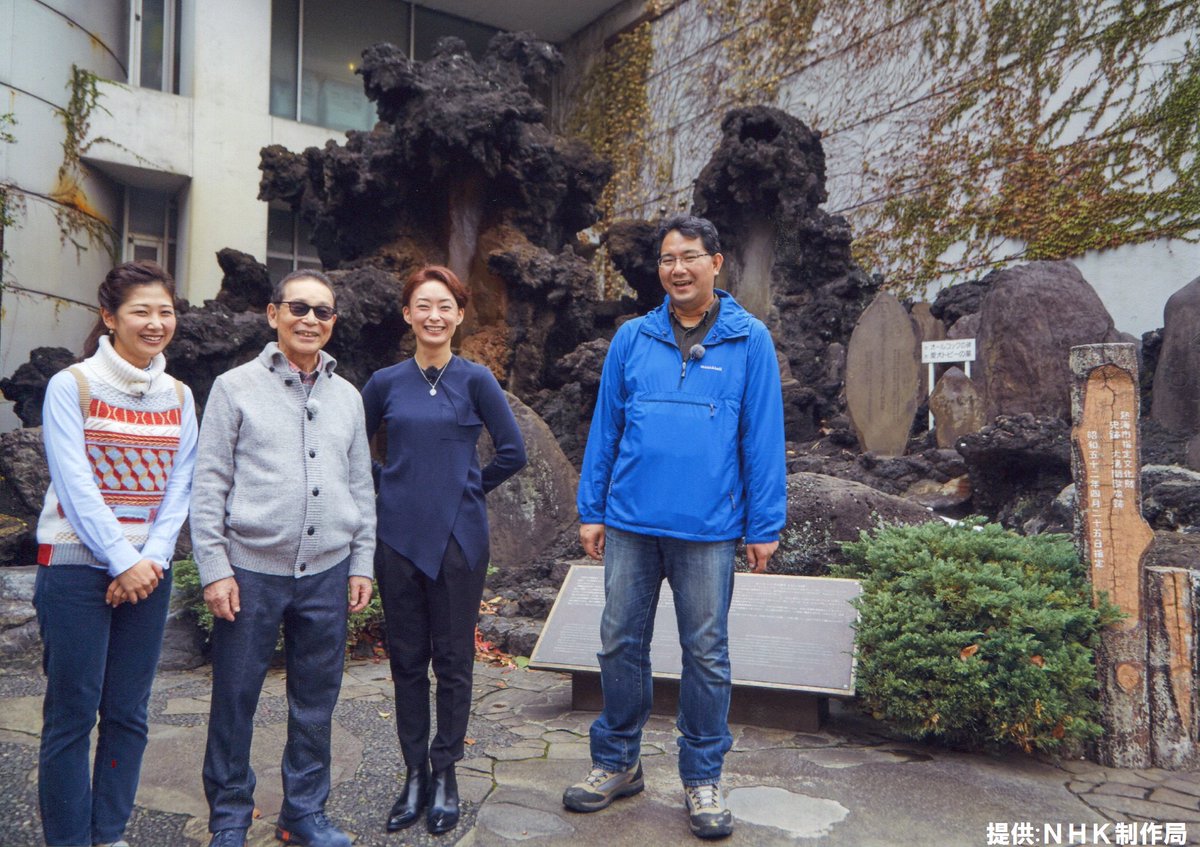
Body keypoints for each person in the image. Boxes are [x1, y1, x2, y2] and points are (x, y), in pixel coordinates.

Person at [562, 214, 787, 839]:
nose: (678, 269)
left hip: (710, 528)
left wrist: (764, 524)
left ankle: (702, 776)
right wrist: (592, 508)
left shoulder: (750, 341)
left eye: (690, 257)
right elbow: (605, 427)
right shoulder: (633, 339)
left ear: (717, 263)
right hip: (632, 522)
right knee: (618, 643)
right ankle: (616, 761)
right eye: (667, 259)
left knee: (706, 654)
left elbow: (763, 439)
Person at [190, 270, 376, 847]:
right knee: (235, 698)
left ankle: (304, 812)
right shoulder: (234, 387)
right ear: (274, 315)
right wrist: (215, 568)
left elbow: (361, 485)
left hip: (327, 571)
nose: (310, 320)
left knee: (316, 702)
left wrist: (362, 561)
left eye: (322, 312)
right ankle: (228, 815)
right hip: (251, 572)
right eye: (299, 308)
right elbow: (209, 484)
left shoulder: (347, 396)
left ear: (333, 323)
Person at [33, 260, 197, 847]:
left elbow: (181, 485)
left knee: (129, 713)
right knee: (72, 718)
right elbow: (74, 485)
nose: (156, 323)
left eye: (165, 311)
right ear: (110, 317)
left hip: (147, 575)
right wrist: (120, 559)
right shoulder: (70, 385)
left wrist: (147, 560)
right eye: (141, 311)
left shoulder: (179, 396)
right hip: (77, 568)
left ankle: (109, 834)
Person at [362, 265, 526, 836]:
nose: (434, 315)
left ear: (459, 315)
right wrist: (390, 483)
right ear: (407, 315)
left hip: (460, 539)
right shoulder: (384, 382)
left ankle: (446, 771)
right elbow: (354, 452)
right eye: (422, 305)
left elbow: (512, 452)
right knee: (407, 660)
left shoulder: (476, 379)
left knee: (453, 661)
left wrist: (467, 486)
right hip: (397, 537)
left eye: (445, 306)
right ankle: (413, 774)